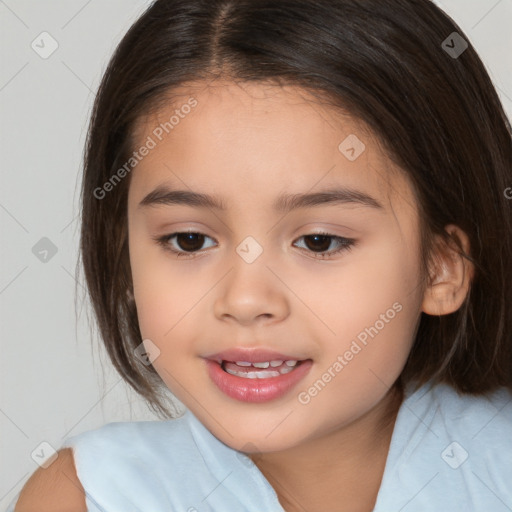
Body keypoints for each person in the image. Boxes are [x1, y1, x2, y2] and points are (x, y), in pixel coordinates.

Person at [9, 0, 512, 510]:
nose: (246, 300)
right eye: (189, 240)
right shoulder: (89, 497)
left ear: (440, 266)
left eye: (319, 241)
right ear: (124, 254)